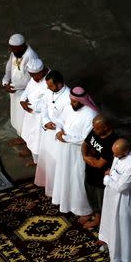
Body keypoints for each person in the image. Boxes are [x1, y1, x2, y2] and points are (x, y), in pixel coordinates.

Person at [98, 138, 131, 262]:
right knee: (110, 222)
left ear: (126, 152)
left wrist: (107, 179)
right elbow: (114, 170)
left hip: (124, 200)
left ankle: (122, 259)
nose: (115, 157)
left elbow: (122, 187)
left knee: (123, 228)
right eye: (114, 154)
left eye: (117, 155)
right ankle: (110, 245)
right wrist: (111, 177)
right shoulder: (120, 153)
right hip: (112, 195)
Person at [51, 86, 98, 216]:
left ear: (82, 101)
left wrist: (65, 137)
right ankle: (67, 203)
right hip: (65, 150)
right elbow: (59, 120)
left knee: (78, 179)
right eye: (71, 101)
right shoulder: (69, 107)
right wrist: (59, 130)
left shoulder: (91, 115)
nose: (72, 104)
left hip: (78, 153)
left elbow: (86, 139)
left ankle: (83, 210)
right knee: (65, 175)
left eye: (75, 102)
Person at [34, 70, 71, 196]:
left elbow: (69, 119)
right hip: (48, 132)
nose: (48, 88)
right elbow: (44, 106)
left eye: (51, 86)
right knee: (48, 161)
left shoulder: (68, 97)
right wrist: (45, 121)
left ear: (60, 84)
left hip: (59, 135)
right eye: (48, 86)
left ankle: (59, 191)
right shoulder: (49, 92)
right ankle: (49, 186)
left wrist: (57, 128)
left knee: (57, 163)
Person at [80, 115, 118, 229]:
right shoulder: (95, 130)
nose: (94, 130)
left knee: (102, 202)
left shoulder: (112, 142)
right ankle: (96, 217)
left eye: (96, 128)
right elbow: (85, 144)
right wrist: (85, 156)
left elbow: (99, 164)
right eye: (93, 127)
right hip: (90, 172)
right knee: (91, 197)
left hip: (101, 178)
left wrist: (86, 158)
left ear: (105, 128)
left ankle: (103, 223)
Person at [1, 33, 39, 141]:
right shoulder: (16, 53)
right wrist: (5, 82)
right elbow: (8, 67)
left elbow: (30, 79)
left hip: (26, 93)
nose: (13, 52)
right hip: (15, 92)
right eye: (12, 49)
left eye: (15, 49)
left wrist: (11, 86)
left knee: (26, 119)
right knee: (18, 117)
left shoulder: (31, 56)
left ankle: (28, 142)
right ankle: (21, 137)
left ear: (23, 46)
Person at [18, 58, 50, 165]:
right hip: (31, 115)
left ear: (42, 71)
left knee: (39, 142)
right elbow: (28, 88)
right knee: (30, 137)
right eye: (31, 75)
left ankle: (39, 162)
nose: (34, 78)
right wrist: (22, 100)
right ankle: (32, 154)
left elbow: (48, 103)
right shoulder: (34, 77)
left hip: (41, 118)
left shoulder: (50, 80)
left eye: (36, 75)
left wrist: (32, 105)